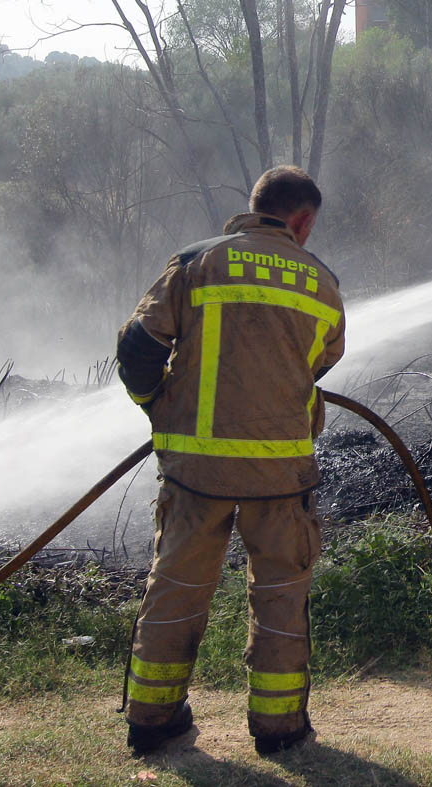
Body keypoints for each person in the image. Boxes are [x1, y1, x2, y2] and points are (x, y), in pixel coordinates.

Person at [115, 165, 345, 755]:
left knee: (175, 589)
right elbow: (320, 361)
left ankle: (152, 719)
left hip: (196, 472)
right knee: (281, 598)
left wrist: (157, 407)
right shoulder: (320, 280)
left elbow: (139, 346)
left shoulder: (197, 262)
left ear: (254, 206)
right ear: (302, 220)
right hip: (280, 473)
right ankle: (279, 728)